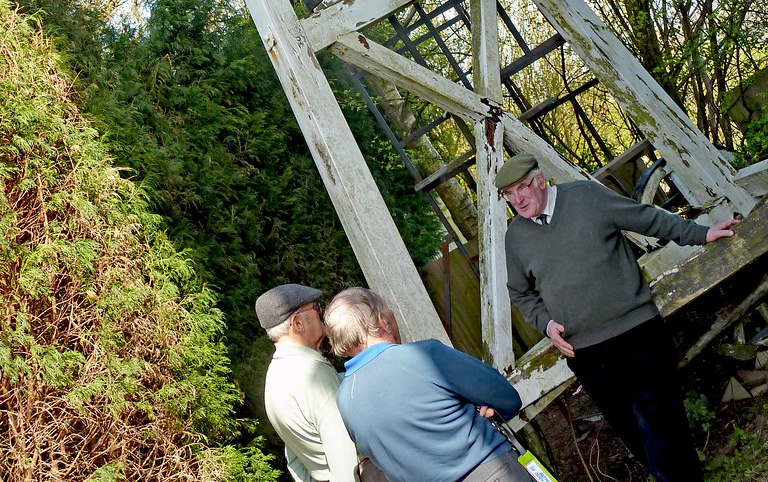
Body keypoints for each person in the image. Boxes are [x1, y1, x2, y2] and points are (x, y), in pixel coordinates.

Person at [496, 152, 739, 482]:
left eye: (521, 188)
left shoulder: (585, 197)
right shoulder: (516, 237)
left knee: (663, 424)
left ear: (540, 180)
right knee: (634, 435)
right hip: (586, 354)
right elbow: (520, 292)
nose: (517, 199)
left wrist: (700, 233)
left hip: (636, 333)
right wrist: (548, 325)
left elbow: (645, 218)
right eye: (508, 194)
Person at [323, 287, 530, 482]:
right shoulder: (422, 355)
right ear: (382, 320)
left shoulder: (343, 400)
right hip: (490, 471)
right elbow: (505, 396)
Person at [255, 283, 358, 482]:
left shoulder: (276, 376)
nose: (321, 314)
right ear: (298, 323)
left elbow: (294, 458)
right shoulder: (312, 373)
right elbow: (345, 450)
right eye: (316, 309)